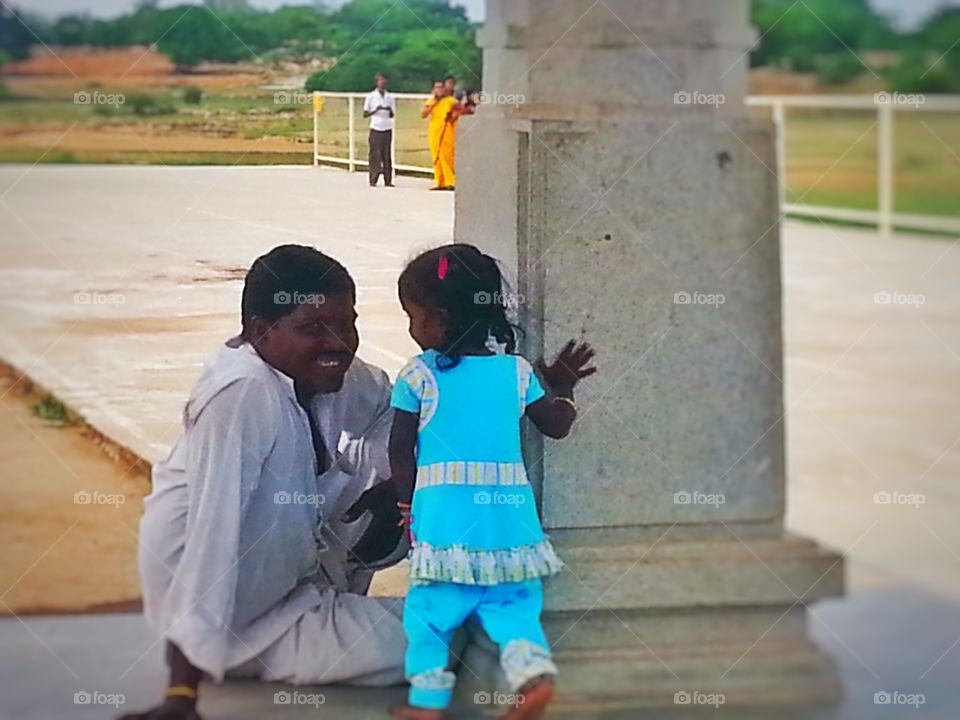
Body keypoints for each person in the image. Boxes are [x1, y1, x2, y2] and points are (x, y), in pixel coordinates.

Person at [120, 245, 409, 720]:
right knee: (436, 642)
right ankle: (213, 658)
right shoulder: (244, 394)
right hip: (240, 619)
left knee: (409, 444)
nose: (339, 343)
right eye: (313, 328)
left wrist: (400, 485)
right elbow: (211, 541)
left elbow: (395, 413)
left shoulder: (326, 370)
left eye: (347, 324)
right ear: (260, 331)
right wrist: (181, 696)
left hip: (290, 584)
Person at [385, 244, 597, 720]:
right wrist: (562, 387)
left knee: (430, 612)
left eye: (413, 316)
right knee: (513, 606)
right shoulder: (516, 373)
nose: (412, 329)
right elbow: (556, 425)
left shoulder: (418, 376)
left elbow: (399, 449)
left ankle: (428, 703)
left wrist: (405, 508)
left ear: (440, 318)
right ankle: (533, 676)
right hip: (508, 522)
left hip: (445, 522)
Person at [421, 80, 458, 191]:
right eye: (436, 87)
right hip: (435, 131)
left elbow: (458, 111)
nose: (439, 90)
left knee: (447, 156)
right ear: (433, 90)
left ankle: (451, 181)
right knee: (436, 157)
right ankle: (440, 182)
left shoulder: (451, 101)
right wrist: (434, 102)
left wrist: (452, 117)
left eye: (441, 87)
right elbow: (423, 114)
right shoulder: (431, 102)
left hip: (447, 131)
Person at [363, 72, 396, 187]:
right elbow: (365, 113)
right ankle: (373, 178)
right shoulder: (371, 96)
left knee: (386, 155)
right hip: (376, 127)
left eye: (384, 81)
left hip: (387, 127)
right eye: (380, 81)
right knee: (374, 155)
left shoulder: (390, 97)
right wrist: (376, 110)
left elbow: (392, 114)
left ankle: (388, 180)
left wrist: (388, 110)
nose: (382, 83)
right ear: (376, 82)